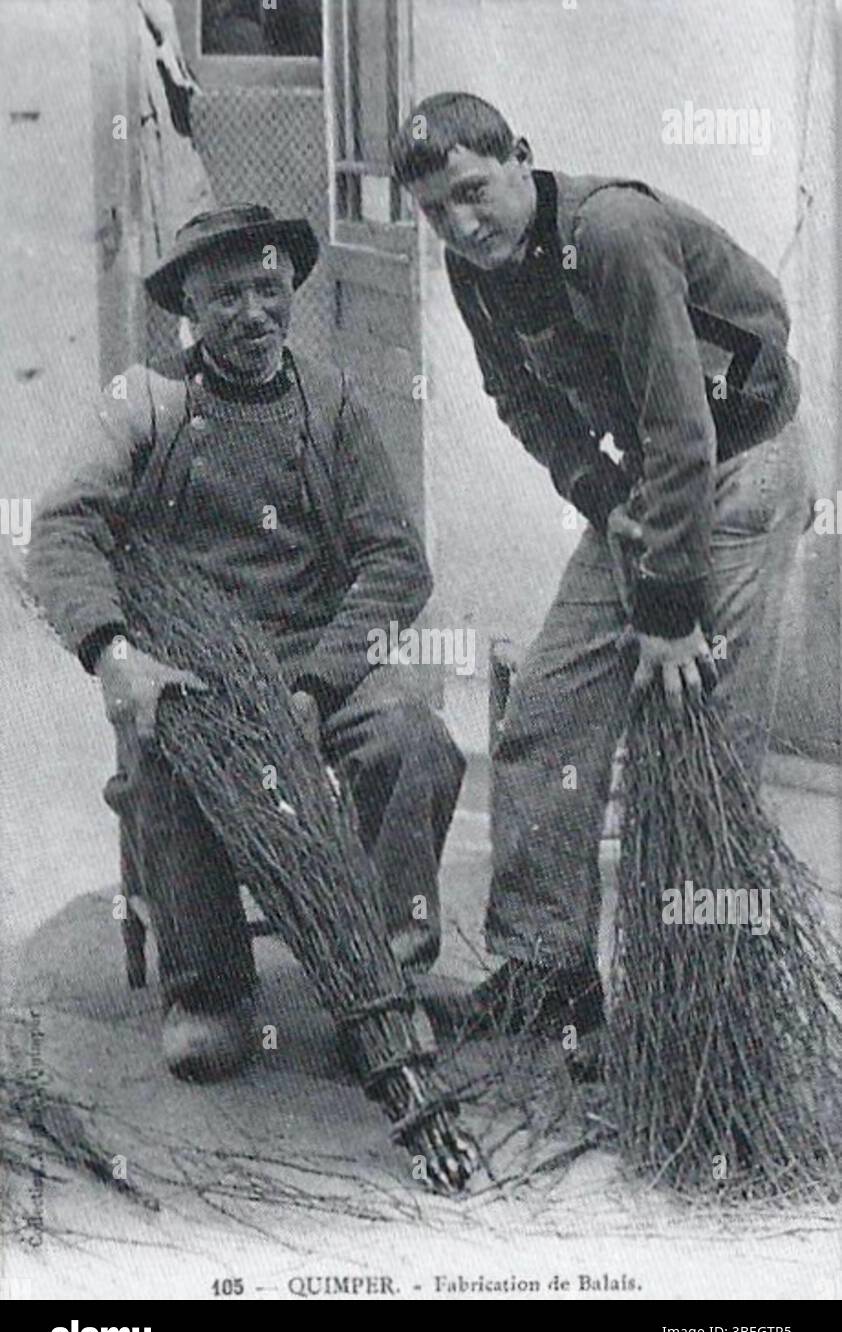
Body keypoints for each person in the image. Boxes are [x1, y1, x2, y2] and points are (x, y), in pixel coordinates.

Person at [391, 92, 806, 1061]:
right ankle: (543, 973)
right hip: (653, 475)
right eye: (434, 212)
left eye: (472, 191)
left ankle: (700, 1012)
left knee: (698, 732)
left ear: (520, 159)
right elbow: (517, 398)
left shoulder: (608, 231)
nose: (460, 223)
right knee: (543, 712)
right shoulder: (475, 267)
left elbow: (680, 416)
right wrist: (597, 491)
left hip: (737, 466)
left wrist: (665, 605)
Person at [28, 204, 465, 1081]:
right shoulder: (144, 404)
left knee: (415, 739)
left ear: (292, 289)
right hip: (191, 666)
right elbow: (61, 530)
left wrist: (317, 683)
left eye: (270, 288)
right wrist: (115, 654)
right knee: (167, 757)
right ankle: (210, 987)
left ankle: (387, 975)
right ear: (187, 304)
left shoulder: (333, 404)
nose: (253, 313)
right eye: (227, 296)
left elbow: (395, 565)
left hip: (314, 659)